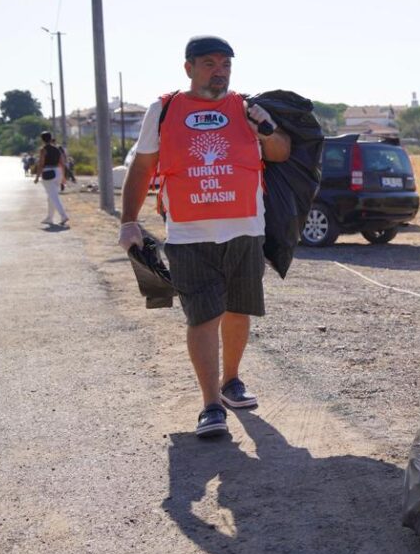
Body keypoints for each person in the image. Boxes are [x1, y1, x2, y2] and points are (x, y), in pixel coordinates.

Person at [117, 36, 290, 439]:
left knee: (238, 311)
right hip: (189, 233)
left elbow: (281, 152)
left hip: (246, 229)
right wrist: (128, 221)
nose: (220, 71)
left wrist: (265, 129)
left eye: (226, 64)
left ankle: (232, 382)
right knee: (202, 316)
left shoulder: (246, 108)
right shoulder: (164, 110)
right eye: (210, 63)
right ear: (189, 68)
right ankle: (211, 404)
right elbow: (142, 168)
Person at [33, 131, 70, 226]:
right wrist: (63, 177)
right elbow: (62, 163)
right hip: (58, 172)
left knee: (53, 197)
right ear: (50, 138)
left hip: (48, 173)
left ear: (42, 139)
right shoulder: (57, 149)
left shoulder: (43, 150)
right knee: (51, 197)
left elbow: (41, 164)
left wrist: (37, 177)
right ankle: (49, 218)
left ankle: (63, 215)